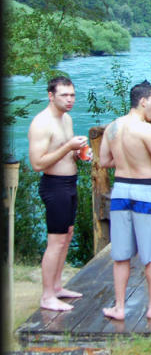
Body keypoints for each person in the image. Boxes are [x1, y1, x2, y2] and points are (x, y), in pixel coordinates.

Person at [98, 81, 151, 320]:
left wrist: (126, 162)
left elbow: (104, 161)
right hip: (146, 192)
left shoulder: (113, 127)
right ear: (143, 101)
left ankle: (120, 308)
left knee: (121, 254)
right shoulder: (144, 129)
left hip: (121, 191)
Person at [27, 76, 88, 311]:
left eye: (72, 94)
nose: (70, 99)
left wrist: (79, 153)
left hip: (69, 183)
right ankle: (46, 296)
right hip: (54, 186)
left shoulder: (67, 118)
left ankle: (56, 287)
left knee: (67, 235)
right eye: (64, 95)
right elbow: (37, 163)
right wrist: (68, 147)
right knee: (55, 241)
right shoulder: (41, 123)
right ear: (50, 96)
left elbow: (65, 152)